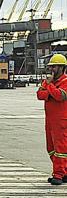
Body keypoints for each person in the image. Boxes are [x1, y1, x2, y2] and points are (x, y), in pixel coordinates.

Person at [37, 54, 67, 185]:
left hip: (61, 120)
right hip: (50, 120)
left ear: (62, 68)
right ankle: (64, 172)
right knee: (51, 148)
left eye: (54, 66)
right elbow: (40, 94)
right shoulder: (50, 81)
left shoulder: (65, 82)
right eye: (51, 67)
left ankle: (59, 174)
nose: (52, 69)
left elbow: (60, 96)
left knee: (61, 149)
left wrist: (49, 88)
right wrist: (50, 90)